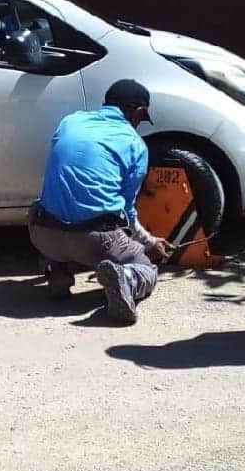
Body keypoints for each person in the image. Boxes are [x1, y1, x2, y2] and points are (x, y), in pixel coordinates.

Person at [29, 80, 171, 323]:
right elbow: (126, 211)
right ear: (138, 111)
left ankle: (57, 271)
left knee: (43, 204)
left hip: (44, 234)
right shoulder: (135, 144)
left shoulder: (70, 121)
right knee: (146, 268)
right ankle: (127, 279)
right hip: (94, 242)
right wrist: (148, 243)